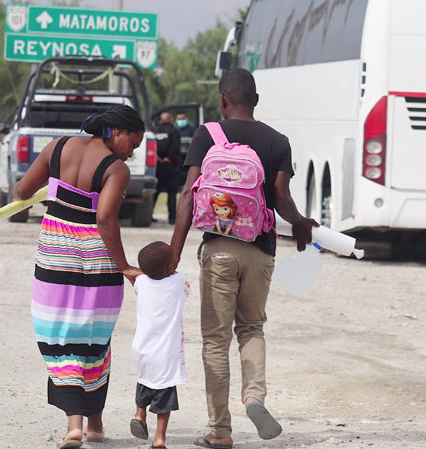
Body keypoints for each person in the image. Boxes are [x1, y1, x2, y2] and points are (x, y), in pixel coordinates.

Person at [170, 68, 317, 449]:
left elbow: (188, 196)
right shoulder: (278, 141)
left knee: (215, 342)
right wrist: (301, 224)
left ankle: (220, 432)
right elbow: (281, 198)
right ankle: (254, 398)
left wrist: (173, 252)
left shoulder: (207, 135)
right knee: (251, 328)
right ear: (256, 100)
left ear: (222, 100)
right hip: (261, 249)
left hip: (219, 248)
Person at [12, 105, 145, 448]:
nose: (133, 151)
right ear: (116, 131)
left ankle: (77, 426)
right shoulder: (116, 169)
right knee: (95, 338)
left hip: (54, 256)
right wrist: (126, 266)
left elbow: (22, 190)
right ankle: (94, 424)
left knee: (61, 336)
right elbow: (105, 220)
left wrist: (35, 198)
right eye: (133, 142)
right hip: (97, 260)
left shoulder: (57, 147)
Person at [130, 241, 189, 449]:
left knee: (144, 381)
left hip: (142, 349)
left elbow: (141, 281)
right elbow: (186, 289)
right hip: (165, 354)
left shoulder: (141, 282)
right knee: (164, 394)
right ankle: (159, 438)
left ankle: (139, 414)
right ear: (170, 267)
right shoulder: (179, 281)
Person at [154, 113, 182, 224]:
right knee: (172, 193)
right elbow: (176, 147)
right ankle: (172, 218)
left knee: (155, 192)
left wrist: (158, 159)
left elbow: (150, 146)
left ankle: (150, 215)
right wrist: (168, 158)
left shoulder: (155, 130)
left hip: (157, 166)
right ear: (171, 120)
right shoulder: (174, 131)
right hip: (171, 167)